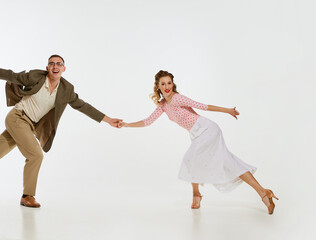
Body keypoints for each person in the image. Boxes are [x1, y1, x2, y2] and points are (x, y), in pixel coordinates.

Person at [0, 55, 121, 208]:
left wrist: (108, 120)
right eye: (52, 63)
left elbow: (83, 106)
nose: (55, 66)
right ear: (47, 67)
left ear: (64, 69)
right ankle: (27, 196)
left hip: (28, 126)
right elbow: (14, 76)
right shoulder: (37, 76)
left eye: (59, 64)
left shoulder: (66, 90)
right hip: (17, 118)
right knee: (36, 155)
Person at [118, 70, 278, 214]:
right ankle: (263, 193)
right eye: (163, 84)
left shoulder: (177, 98)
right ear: (158, 87)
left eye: (169, 82)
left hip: (207, 129)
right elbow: (147, 121)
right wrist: (126, 124)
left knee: (191, 159)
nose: (167, 86)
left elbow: (203, 106)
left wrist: (227, 110)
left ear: (173, 84)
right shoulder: (163, 106)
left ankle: (196, 194)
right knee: (228, 163)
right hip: (197, 134)